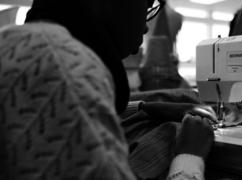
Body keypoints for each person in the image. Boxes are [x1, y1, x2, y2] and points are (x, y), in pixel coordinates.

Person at [0, 0, 215, 180]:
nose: (145, 27)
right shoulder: (64, 66)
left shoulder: (17, 43)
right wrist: (189, 157)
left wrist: (141, 108)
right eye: (146, 5)